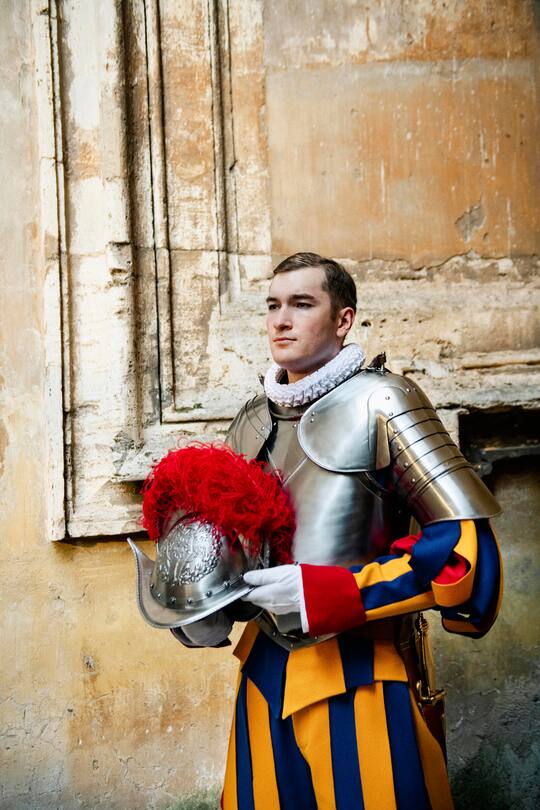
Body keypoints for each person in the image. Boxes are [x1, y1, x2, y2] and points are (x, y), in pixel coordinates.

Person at [217, 252, 503, 810]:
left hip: (365, 670)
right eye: (273, 305)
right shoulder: (251, 420)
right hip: (263, 672)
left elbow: (467, 556)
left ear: (343, 319)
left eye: (302, 304)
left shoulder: (385, 400)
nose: (281, 320)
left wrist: (331, 593)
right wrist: (205, 607)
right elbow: (231, 548)